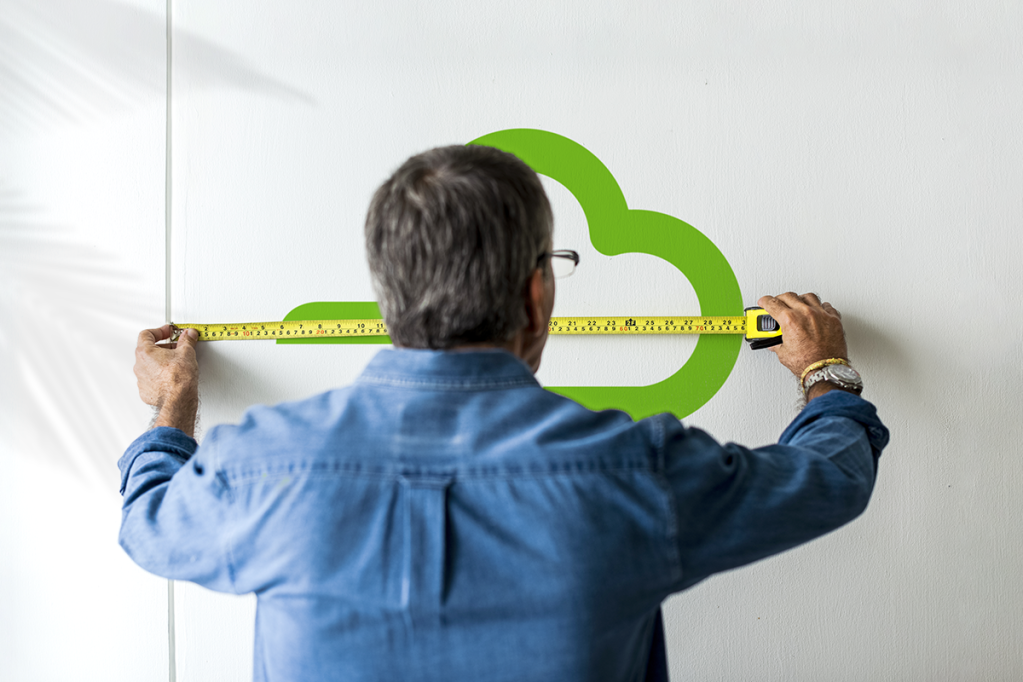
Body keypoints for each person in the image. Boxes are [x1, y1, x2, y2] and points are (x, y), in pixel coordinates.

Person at [121, 144, 889, 682]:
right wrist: (823, 372)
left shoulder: (261, 466)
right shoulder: (636, 472)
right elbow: (828, 480)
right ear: (536, 294)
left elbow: (147, 518)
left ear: (388, 295)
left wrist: (174, 404)